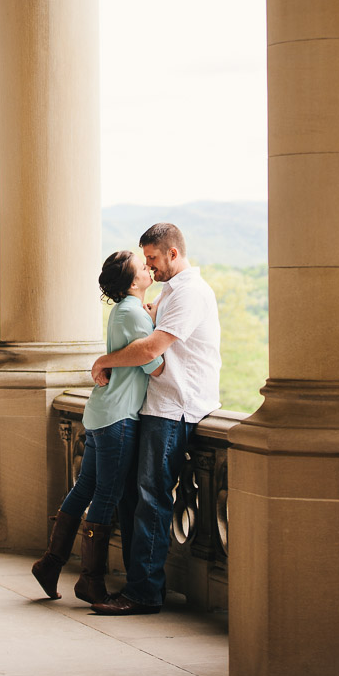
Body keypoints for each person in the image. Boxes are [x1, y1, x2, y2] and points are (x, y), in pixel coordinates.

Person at [90, 222, 221, 616]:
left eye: (152, 259)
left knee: (151, 498)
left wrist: (104, 360)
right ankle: (138, 584)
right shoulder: (171, 292)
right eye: (144, 260)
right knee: (136, 496)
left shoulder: (190, 293)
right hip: (157, 406)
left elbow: (151, 350)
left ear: (173, 254)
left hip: (176, 408)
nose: (149, 267)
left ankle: (144, 592)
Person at [32, 250, 164, 604]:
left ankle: (50, 563)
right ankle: (89, 580)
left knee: (85, 488)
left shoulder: (124, 311)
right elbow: (156, 366)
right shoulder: (134, 314)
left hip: (102, 414)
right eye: (142, 267)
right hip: (119, 417)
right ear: (134, 281)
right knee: (106, 496)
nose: (148, 268)